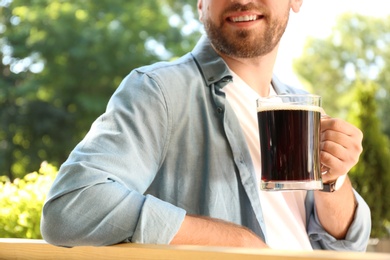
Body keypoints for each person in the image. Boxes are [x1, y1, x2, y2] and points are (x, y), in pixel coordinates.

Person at [41, 0, 371, 251]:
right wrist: (234, 242)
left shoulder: (300, 104)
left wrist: (334, 179)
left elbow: (345, 244)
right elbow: (71, 208)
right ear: (201, 3)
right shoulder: (159, 92)